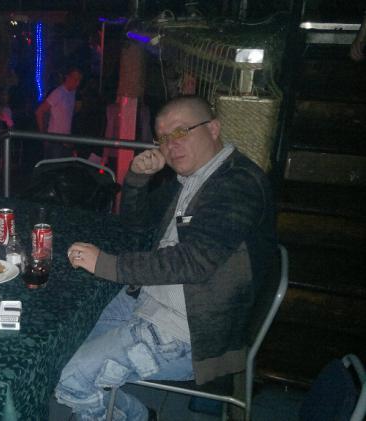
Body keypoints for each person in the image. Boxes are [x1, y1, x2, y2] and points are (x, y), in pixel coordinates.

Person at [55, 96, 276, 420]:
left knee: (73, 379)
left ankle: (129, 415)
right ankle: (137, 414)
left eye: (181, 131)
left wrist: (106, 264)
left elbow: (195, 261)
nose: (171, 145)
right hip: (150, 298)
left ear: (214, 129)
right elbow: (137, 224)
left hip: (190, 332)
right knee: (65, 349)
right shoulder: (193, 177)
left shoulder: (238, 184)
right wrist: (136, 179)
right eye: (162, 138)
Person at [35, 67, 83, 158]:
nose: (77, 83)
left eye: (79, 80)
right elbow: (39, 112)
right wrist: (43, 135)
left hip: (66, 142)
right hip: (55, 142)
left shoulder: (72, 93)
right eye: (75, 79)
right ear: (67, 77)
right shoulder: (58, 93)